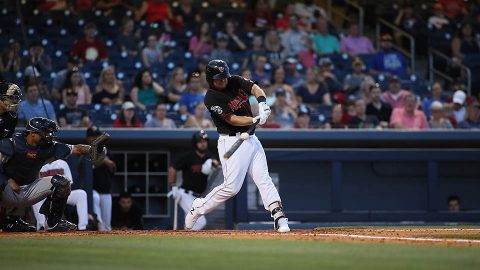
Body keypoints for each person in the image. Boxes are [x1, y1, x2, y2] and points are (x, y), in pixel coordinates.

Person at [185, 60, 290, 232]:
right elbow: (231, 119)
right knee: (231, 187)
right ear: (211, 79)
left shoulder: (234, 80)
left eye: (224, 77)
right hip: (232, 141)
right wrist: (255, 119)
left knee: (263, 178)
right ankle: (198, 208)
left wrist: (263, 104)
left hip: (251, 138)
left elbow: (255, 89)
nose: (223, 81)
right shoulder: (210, 98)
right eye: (219, 79)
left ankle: (279, 216)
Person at [0, 117, 107, 231]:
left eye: (49, 132)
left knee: (62, 182)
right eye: (45, 132)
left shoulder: (48, 147)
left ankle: (53, 223)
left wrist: (91, 150)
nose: (49, 136)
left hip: (29, 189)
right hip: (7, 191)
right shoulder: (11, 143)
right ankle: (10, 221)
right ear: (32, 133)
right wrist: (6, 180)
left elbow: (75, 149)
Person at [168, 130, 219, 230]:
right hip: (185, 195)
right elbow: (172, 169)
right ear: (195, 143)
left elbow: (215, 162)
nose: (203, 143)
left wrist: (213, 163)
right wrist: (173, 187)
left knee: (191, 223)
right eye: (200, 141)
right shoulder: (189, 156)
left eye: (205, 141)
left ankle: (183, 240)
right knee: (200, 222)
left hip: (198, 197)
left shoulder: (209, 155)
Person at [32, 159, 89, 230]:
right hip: (45, 195)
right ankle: (42, 226)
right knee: (34, 197)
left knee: (81, 194)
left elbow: (69, 185)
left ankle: (82, 228)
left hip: (61, 195)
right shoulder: (39, 165)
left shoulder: (62, 163)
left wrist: (59, 193)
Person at [85, 125, 116, 231]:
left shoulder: (105, 150)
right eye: (93, 136)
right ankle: (98, 223)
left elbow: (113, 168)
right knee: (99, 222)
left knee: (107, 225)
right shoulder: (85, 150)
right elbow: (91, 165)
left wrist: (110, 164)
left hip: (105, 189)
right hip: (91, 190)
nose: (95, 138)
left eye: (97, 136)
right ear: (88, 138)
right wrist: (103, 160)